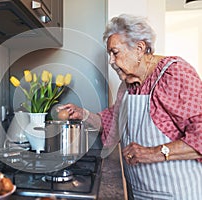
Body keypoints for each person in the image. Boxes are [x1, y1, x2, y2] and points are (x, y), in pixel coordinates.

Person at [59, 14, 202, 199]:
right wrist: (83, 114)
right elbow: (112, 122)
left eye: (115, 52)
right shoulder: (127, 86)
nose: (111, 61)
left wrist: (153, 153)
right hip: (141, 191)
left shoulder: (174, 74)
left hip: (178, 192)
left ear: (139, 48)